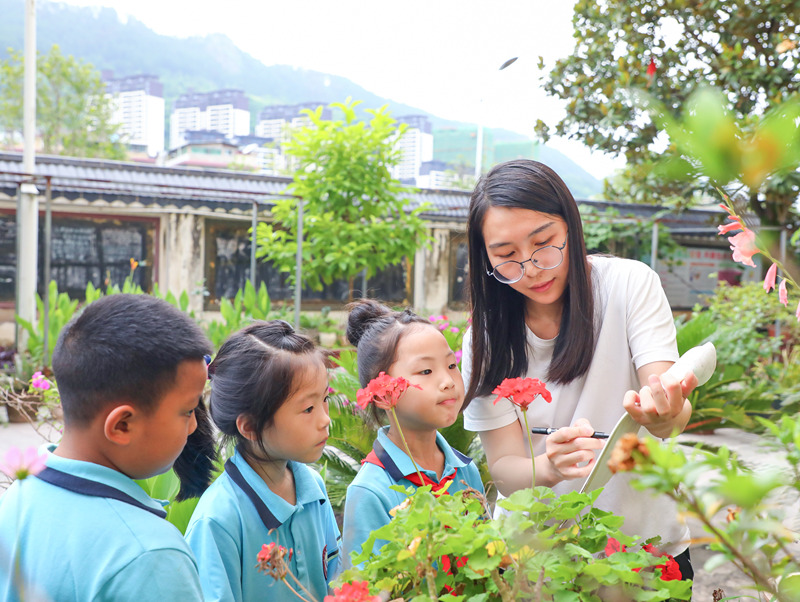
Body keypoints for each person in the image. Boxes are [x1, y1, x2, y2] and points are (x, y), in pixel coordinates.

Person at [461, 159, 698, 578]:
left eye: (544, 242)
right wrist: (548, 469)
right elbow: (504, 468)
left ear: (570, 225)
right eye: (506, 256)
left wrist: (663, 414)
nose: (531, 268)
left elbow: (667, 403)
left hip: (642, 552)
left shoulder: (629, 285)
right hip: (537, 564)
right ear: (486, 259)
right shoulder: (486, 337)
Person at [0, 294, 213, 601]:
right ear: (122, 425)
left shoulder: (19, 496)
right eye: (188, 410)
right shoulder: (149, 555)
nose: (194, 426)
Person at [184, 320, 341, 602]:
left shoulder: (313, 489)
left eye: (325, 399)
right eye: (308, 408)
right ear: (250, 427)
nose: (325, 419)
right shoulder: (218, 521)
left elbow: (336, 580)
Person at [342, 299, 484, 567]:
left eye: (451, 365)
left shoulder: (465, 472)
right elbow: (362, 587)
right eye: (426, 371)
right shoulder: (371, 491)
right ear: (382, 394)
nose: (447, 382)